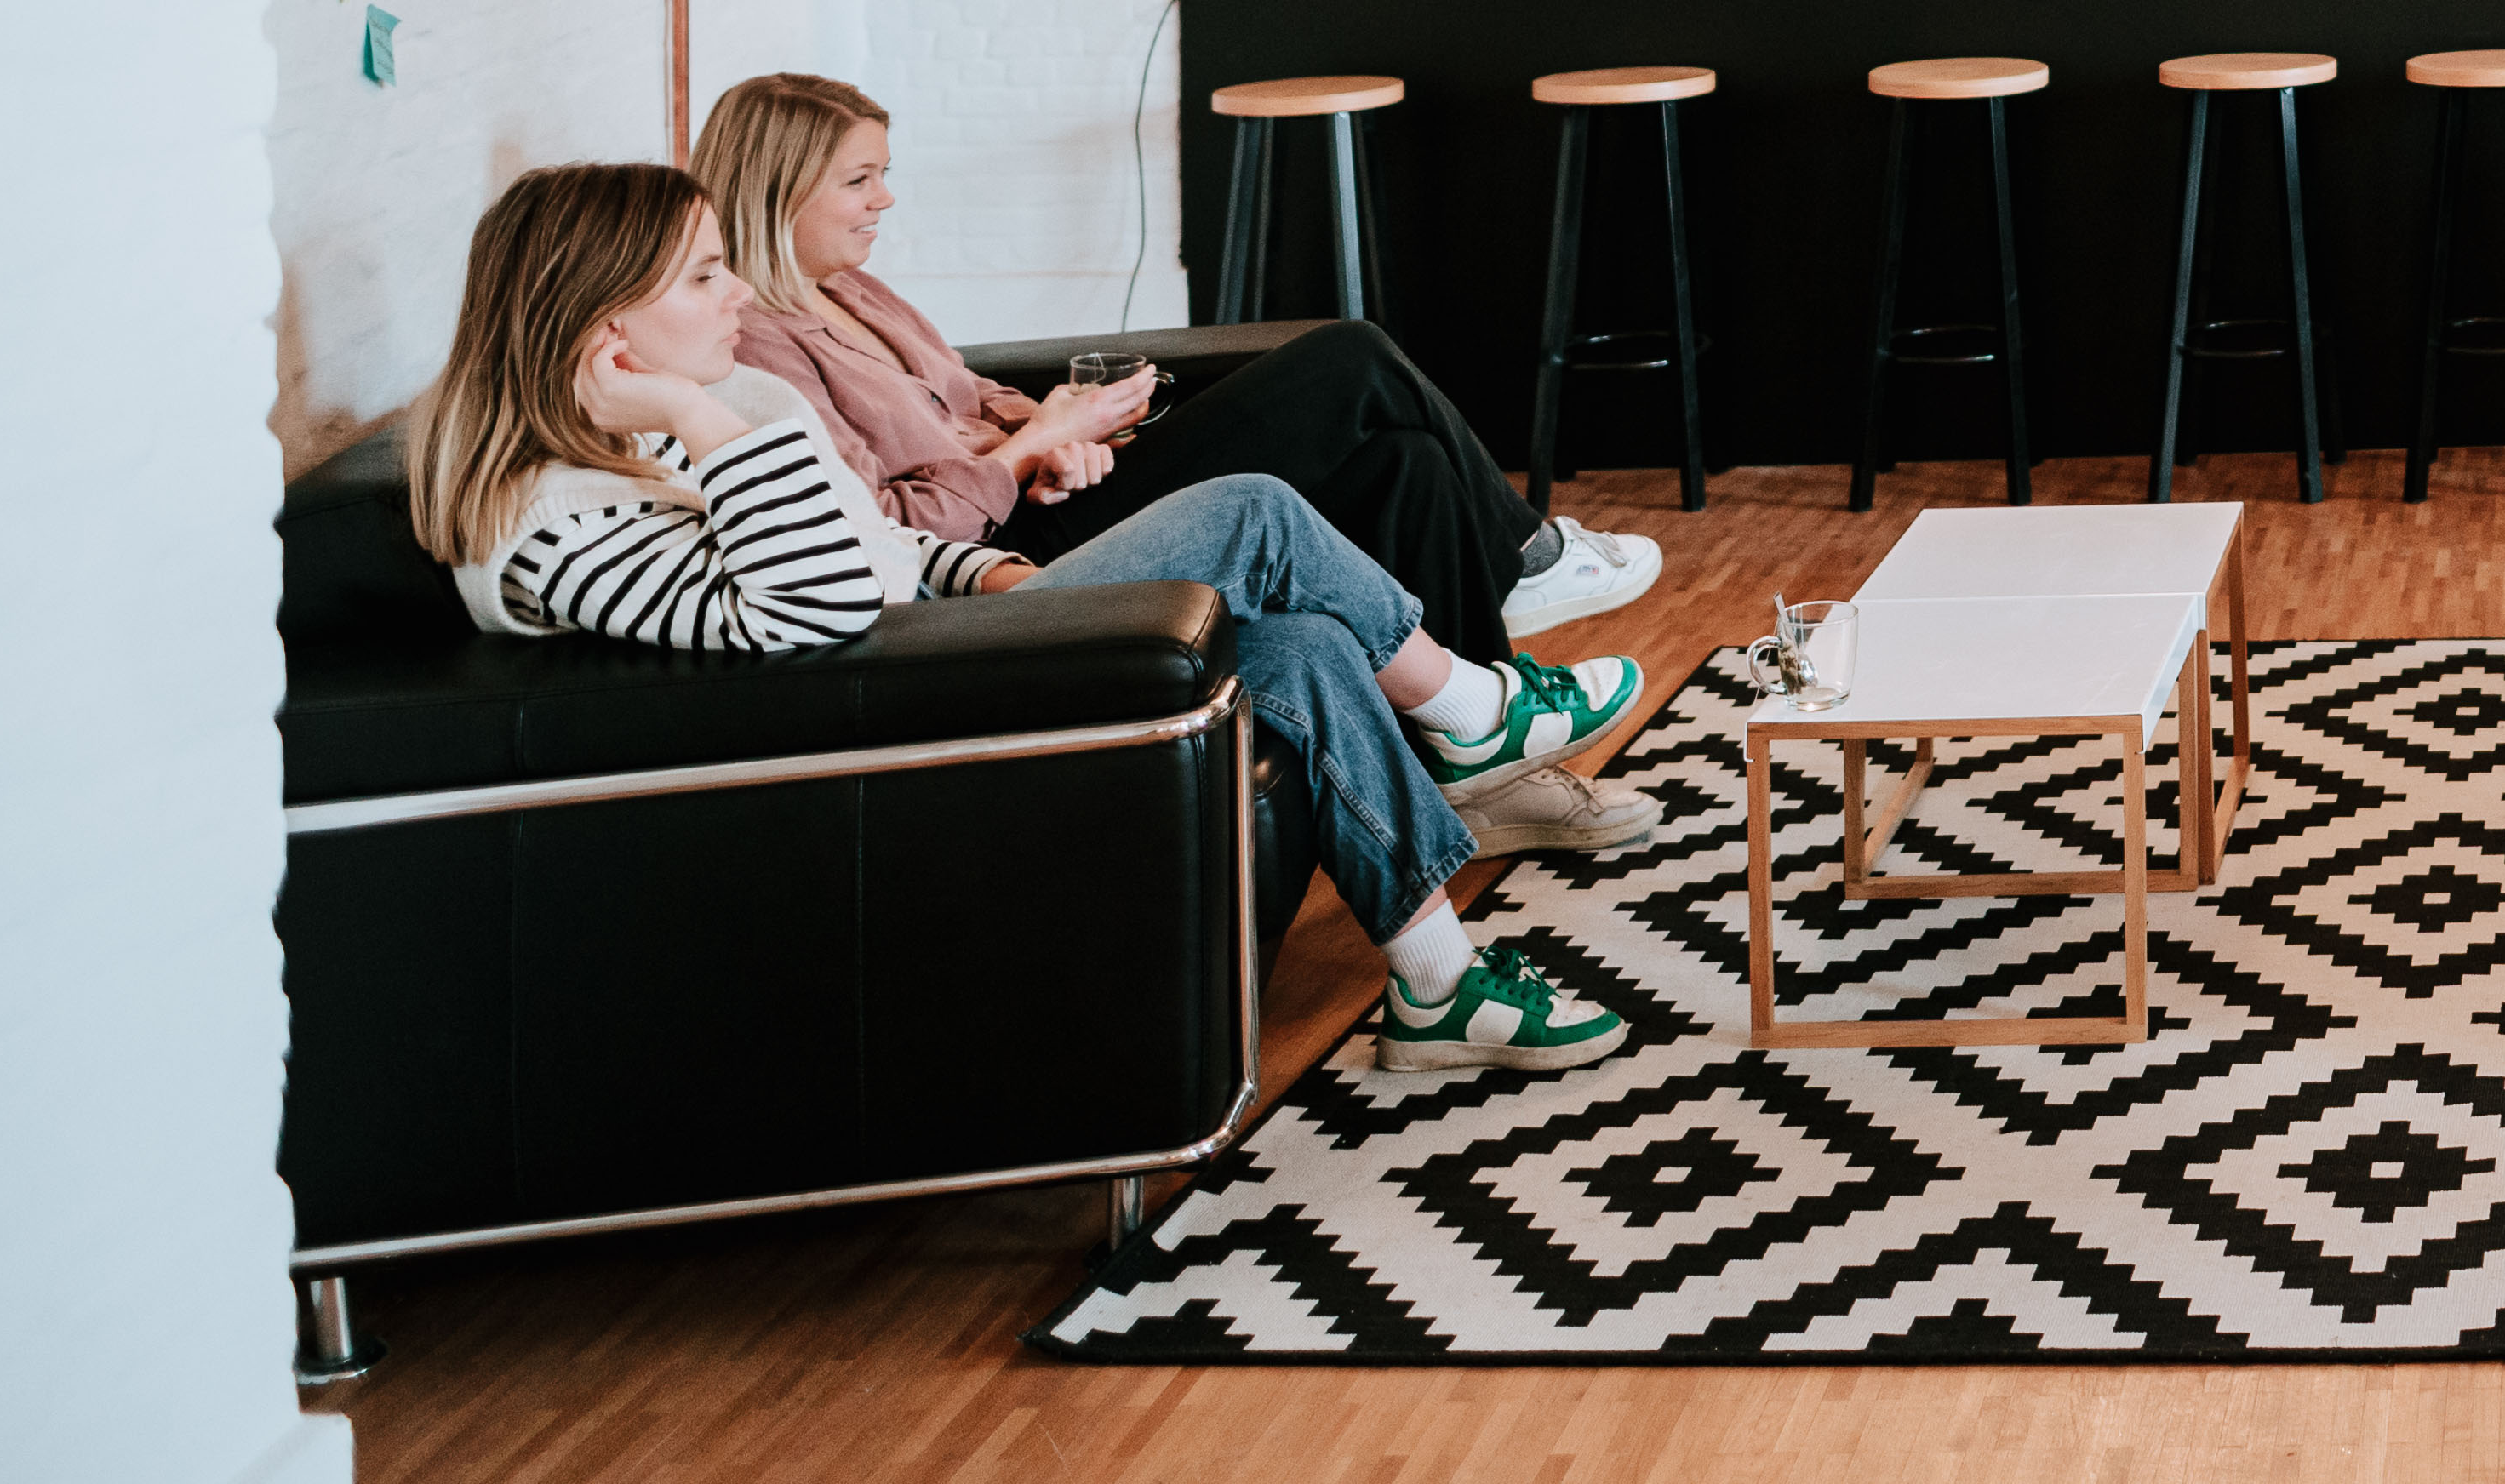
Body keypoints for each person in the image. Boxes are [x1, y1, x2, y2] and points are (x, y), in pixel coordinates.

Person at [408, 161, 1661, 1073]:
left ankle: (1438, 986)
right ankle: (1476, 710)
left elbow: (876, 550)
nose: (738, 294)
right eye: (702, 275)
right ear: (607, 326)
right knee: (1256, 511)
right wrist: (704, 420)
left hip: (954, 648)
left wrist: (982, 576)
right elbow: (815, 610)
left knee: (1304, 642)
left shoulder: (676, 425)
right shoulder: (550, 519)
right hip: (924, 714)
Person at [694, 71, 1653, 662]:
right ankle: (1526, 558)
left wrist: (1055, 424)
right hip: (1023, 553)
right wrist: (1029, 449)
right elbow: (886, 524)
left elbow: (968, 392)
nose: (885, 199)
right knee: (1348, 354)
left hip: (1056, 486)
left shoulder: (850, 288)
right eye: (860, 180)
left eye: (883, 174)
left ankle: (1479, 736)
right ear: (779, 190)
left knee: (1403, 460)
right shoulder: (753, 350)